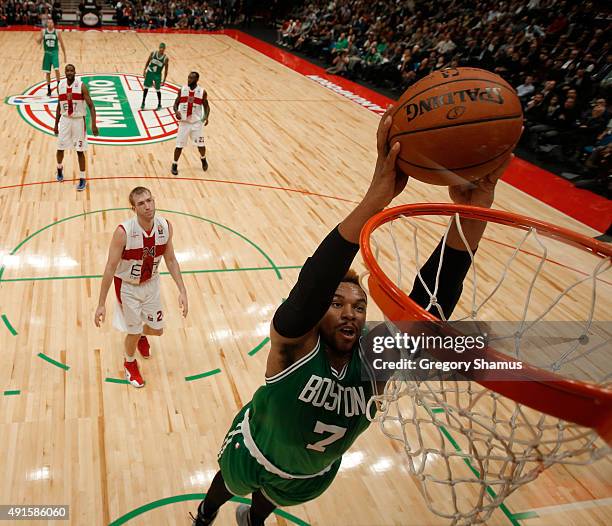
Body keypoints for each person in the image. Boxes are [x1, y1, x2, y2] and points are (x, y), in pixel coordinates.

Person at [190, 107, 511, 526]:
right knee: (227, 485)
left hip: (311, 473)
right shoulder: (293, 346)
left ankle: (255, 519)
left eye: (359, 306)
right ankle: (205, 513)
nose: (350, 313)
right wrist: (376, 199)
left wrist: (470, 216)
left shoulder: (374, 362)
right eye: (337, 303)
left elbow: (428, 306)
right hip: (255, 450)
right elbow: (313, 281)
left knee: (270, 499)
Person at [94, 186, 188, 388]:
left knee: (158, 330)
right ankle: (129, 363)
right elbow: (110, 268)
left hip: (152, 283)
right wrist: (101, 304)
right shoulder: (123, 232)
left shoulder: (165, 226)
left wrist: (182, 290)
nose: (147, 206)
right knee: (133, 330)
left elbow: (170, 259)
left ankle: (142, 335)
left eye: (149, 200)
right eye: (141, 203)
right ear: (133, 208)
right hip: (127, 287)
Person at [54, 63, 98, 191]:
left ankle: (82, 178)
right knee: (60, 148)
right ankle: (59, 168)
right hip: (65, 120)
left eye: (71, 70)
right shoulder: (60, 86)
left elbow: (91, 106)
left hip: (78, 121)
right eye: (67, 70)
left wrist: (94, 124)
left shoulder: (81, 86)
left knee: (79, 150)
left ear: (75, 72)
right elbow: (59, 105)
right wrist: (56, 124)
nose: (69, 72)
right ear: (65, 72)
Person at [171, 71, 210, 175]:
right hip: (184, 123)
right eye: (188, 78)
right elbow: (175, 104)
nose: (189, 80)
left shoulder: (202, 92)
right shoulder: (182, 90)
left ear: (196, 80)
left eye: (191, 78)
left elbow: (206, 106)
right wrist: (176, 111)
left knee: (201, 145)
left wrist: (206, 117)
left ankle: (203, 159)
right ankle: (174, 164)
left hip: (196, 123)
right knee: (179, 145)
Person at [37, 18, 66, 97]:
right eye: (48, 23)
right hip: (47, 53)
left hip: (54, 53)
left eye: (51, 23)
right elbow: (39, 42)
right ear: (47, 24)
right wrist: (38, 39)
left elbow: (62, 43)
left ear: (53, 24)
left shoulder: (57, 32)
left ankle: (59, 87)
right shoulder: (43, 31)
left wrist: (64, 55)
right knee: (48, 72)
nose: (50, 24)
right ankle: (49, 89)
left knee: (56, 69)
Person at [141, 42, 169, 110]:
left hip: (158, 74)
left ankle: (159, 104)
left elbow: (166, 70)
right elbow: (148, 62)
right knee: (146, 88)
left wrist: (164, 80)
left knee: (158, 90)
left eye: (163, 48)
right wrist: (144, 70)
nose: (161, 49)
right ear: (159, 48)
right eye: (160, 48)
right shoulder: (153, 53)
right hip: (150, 72)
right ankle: (143, 102)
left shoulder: (165, 58)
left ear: (164, 49)